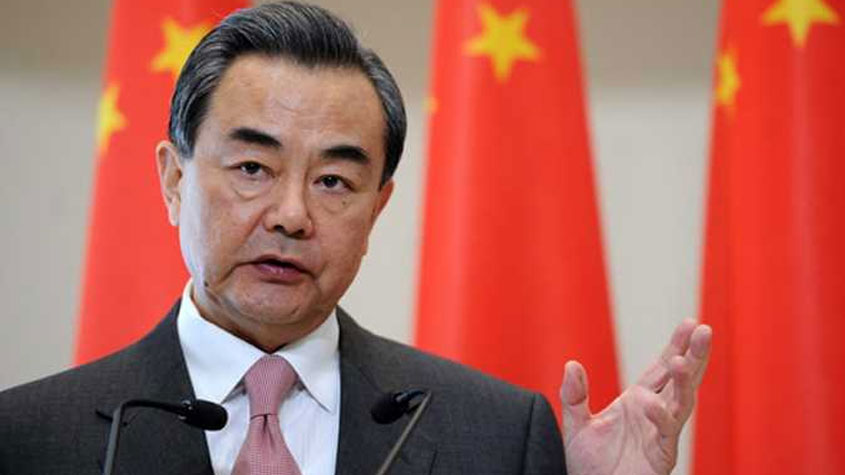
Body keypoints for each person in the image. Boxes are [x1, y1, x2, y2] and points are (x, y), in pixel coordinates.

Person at [0, 2, 711, 474]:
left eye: (334, 181)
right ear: (173, 180)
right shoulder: (30, 438)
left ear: (377, 208)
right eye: (252, 168)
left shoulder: (496, 436)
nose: (291, 215)